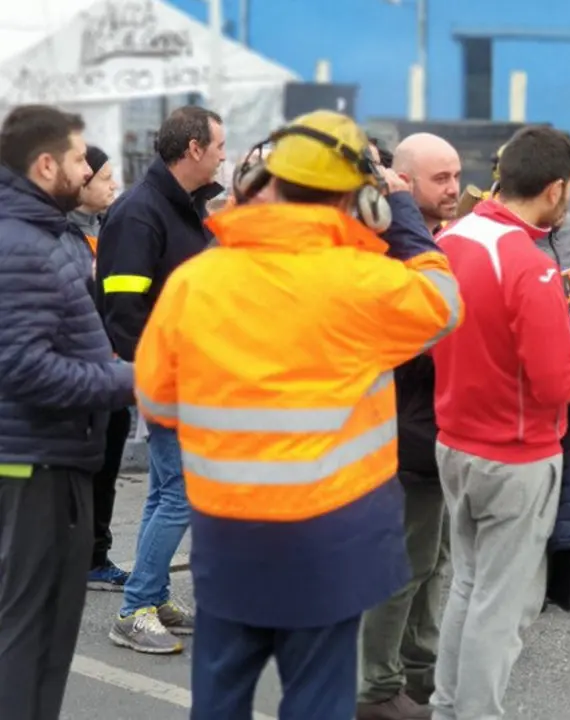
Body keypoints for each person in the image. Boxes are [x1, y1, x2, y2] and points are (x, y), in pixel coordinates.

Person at [134, 109, 463, 719]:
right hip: (332, 544)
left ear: (262, 185)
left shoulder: (197, 281)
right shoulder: (366, 283)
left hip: (228, 537)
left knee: (220, 696)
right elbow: (444, 306)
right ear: (363, 203)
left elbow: (155, 400)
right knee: (316, 702)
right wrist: (409, 225)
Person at [429, 125, 570, 719]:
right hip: (516, 452)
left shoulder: (453, 237)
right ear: (555, 189)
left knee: (466, 586)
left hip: (455, 439)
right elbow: (558, 380)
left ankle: (448, 705)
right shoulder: (528, 265)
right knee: (501, 609)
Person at [0, 105, 136, 720]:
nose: (91, 170)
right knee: (27, 638)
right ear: (47, 163)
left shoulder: (43, 234)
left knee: (43, 635)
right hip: (34, 470)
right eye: (82, 158)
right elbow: (22, 368)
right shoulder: (23, 244)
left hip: (49, 463)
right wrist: (131, 381)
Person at [98, 105, 226, 654]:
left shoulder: (180, 208)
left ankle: (151, 593)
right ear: (194, 148)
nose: (225, 153)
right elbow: (125, 312)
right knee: (181, 495)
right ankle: (134, 611)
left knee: (165, 492)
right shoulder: (141, 212)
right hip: (172, 380)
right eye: (219, 145)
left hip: (185, 376)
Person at [356, 132, 463, 720]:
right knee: (402, 566)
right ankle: (377, 687)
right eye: (438, 179)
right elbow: (405, 338)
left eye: (455, 176)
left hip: (435, 431)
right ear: (402, 181)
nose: (452, 188)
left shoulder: (436, 242)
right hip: (403, 433)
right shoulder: (389, 249)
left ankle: (417, 670)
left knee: (432, 561)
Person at [67, 145, 132, 591]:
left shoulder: (109, 230)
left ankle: (96, 555)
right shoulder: (59, 239)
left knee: (107, 466)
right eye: (104, 177)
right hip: (81, 381)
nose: (113, 185)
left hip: (112, 375)